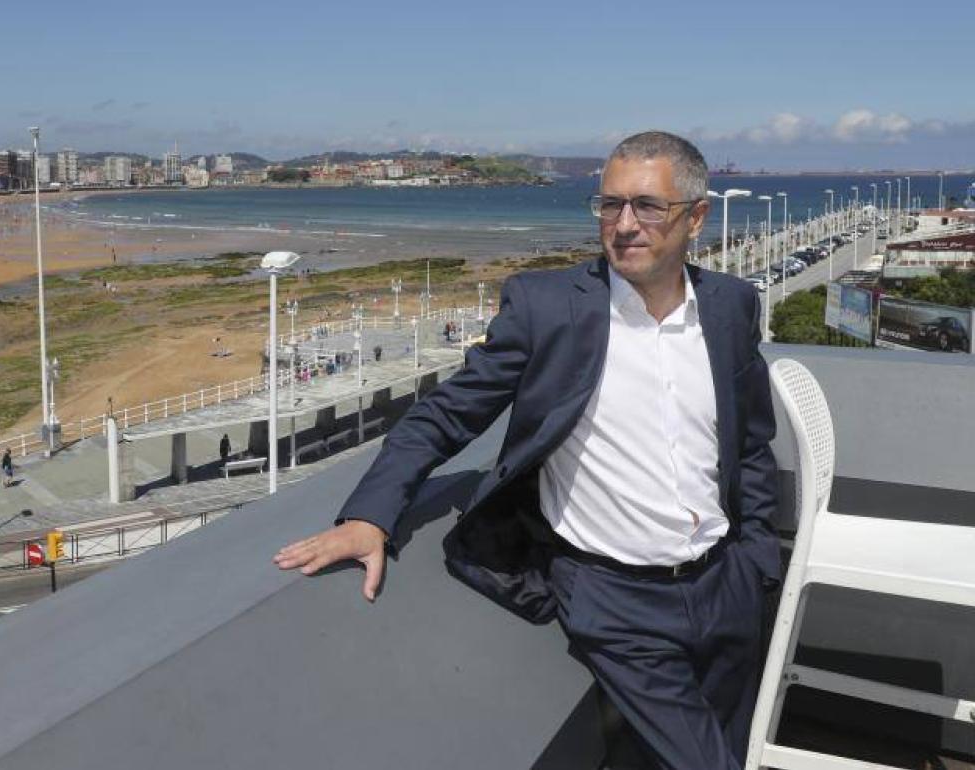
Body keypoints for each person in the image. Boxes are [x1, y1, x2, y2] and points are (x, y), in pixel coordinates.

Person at [275, 131, 780, 769]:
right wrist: (368, 517)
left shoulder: (730, 306)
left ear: (696, 217)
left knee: (719, 740)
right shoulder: (548, 309)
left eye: (647, 207)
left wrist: (756, 561)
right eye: (609, 205)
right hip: (617, 601)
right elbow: (445, 415)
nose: (624, 225)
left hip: (725, 583)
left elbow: (753, 442)